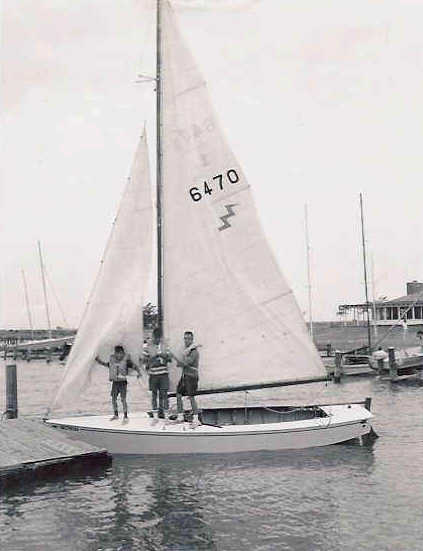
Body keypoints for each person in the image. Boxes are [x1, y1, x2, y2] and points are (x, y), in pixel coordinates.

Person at [95, 344, 141, 424]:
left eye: (120, 353)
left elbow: (134, 366)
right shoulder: (113, 360)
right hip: (115, 382)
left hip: (123, 382)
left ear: (122, 353)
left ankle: (125, 416)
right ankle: (116, 415)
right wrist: (98, 361)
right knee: (113, 399)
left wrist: (139, 373)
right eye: (117, 353)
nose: (118, 355)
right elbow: (107, 365)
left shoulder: (126, 361)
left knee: (123, 399)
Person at [171, 331, 200, 427]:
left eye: (188, 339)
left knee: (191, 396)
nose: (186, 340)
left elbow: (186, 363)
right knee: (178, 394)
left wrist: (174, 357)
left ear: (192, 340)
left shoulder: (194, 352)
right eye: (185, 338)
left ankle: (196, 419)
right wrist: (179, 362)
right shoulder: (186, 351)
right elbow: (182, 363)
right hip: (185, 376)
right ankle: (180, 416)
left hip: (192, 377)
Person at [143, 327, 172, 422]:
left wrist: (163, 356)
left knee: (164, 394)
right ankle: (155, 416)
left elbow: (170, 359)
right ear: (153, 336)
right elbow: (144, 361)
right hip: (153, 374)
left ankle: (166, 416)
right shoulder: (147, 346)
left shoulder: (165, 345)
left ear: (161, 337)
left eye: (159, 338)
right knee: (154, 394)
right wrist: (153, 358)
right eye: (155, 337)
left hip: (163, 373)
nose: (157, 340)